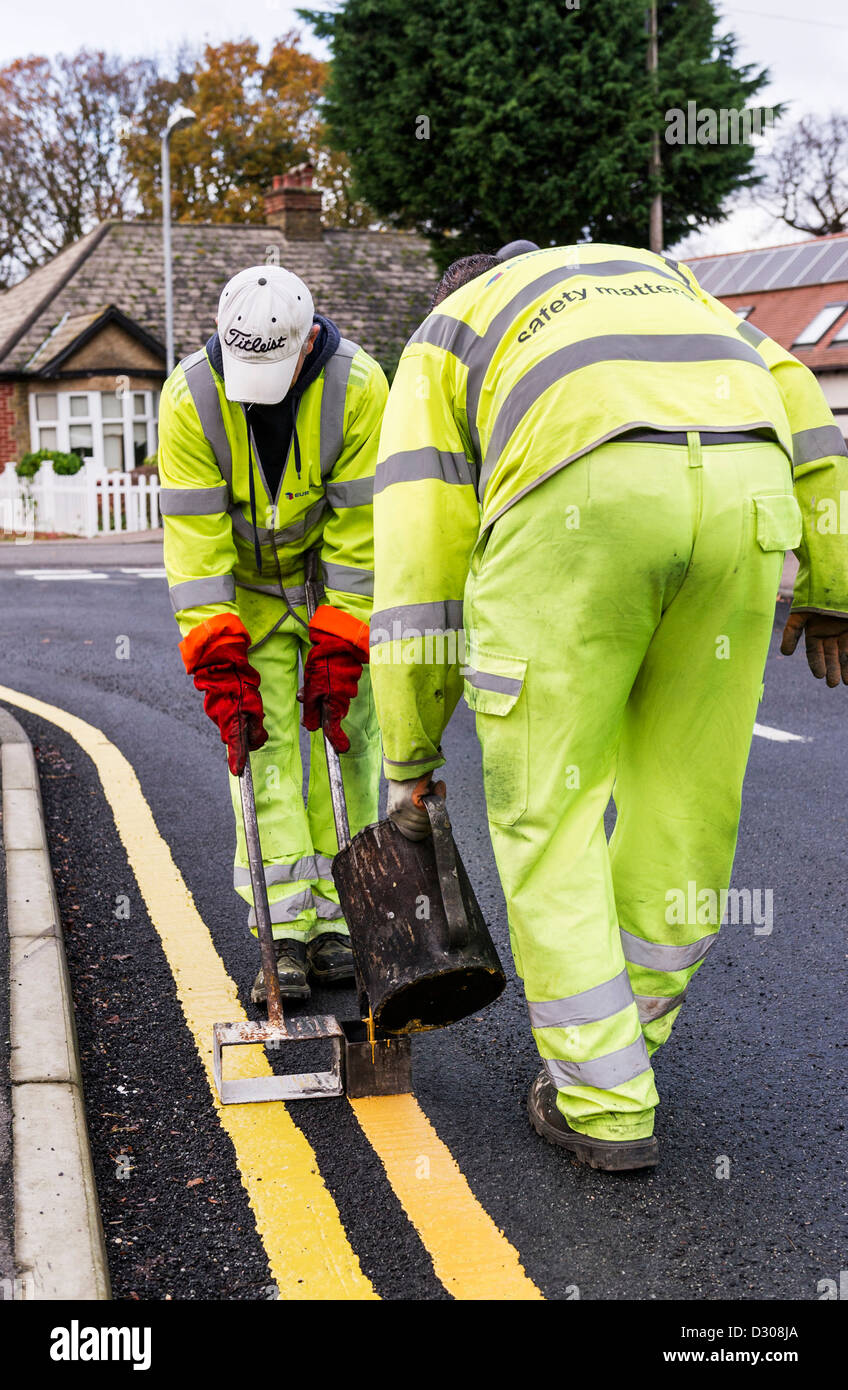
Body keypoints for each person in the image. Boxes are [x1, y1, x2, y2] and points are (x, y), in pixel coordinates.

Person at [369, 240, 848, 1170]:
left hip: (580, 511)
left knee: (550, 808)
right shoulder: (665, 281)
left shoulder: (444, 339)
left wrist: (410, 755)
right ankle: (627, 1044)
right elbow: (805, 405)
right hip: (746, 503)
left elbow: (421, 566)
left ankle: (606, 1104)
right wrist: (833, 581)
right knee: (686, 802)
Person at [158, 265, 387, 1003]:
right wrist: (220, 664)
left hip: (329, 582)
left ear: (308, 339)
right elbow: (196, 549)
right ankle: (284, 932)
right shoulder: (189, 396)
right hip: (250, 592)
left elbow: (363, 535)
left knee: (347, 738)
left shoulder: (359, 388)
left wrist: (342, 642)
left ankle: (342, 924)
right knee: (265, 745)